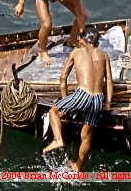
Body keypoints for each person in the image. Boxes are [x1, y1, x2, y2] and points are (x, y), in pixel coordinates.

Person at [42, 28, 113, 172]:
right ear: (97, 43)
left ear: (81, 41)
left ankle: (58, 140)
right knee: (86, 135)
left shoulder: (76, 52)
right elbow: (110, 81)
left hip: (83, 95)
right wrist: (108, 103)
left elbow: (63, 78)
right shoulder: (104, 55)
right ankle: (77, 165)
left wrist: (64, 102)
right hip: (98, 99)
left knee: (54, 111)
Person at [14, 0, 89, 65]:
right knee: (47, 24)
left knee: (84, 15)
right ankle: (42, 51)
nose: (62, 0)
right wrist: (21, 3)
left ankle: (72, 40)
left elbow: (80, 17)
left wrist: (83, 37)